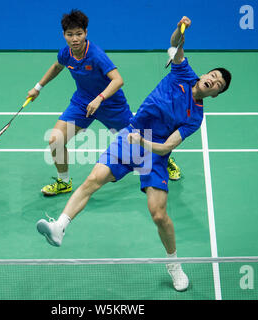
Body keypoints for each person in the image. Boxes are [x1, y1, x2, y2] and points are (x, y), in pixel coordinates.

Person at [36, 16, 232, 291]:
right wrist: (179, 29)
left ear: (216, 95)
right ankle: (59, 226)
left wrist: (144, 142)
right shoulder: (183, 72)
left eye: (218, 84)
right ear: (205, 74)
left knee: (158, 215)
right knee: (93, 180)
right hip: (132, 134)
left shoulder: (195, 117)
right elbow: (176, 44)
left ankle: (174, 264)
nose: (213, 80)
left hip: (152, 150)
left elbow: (167, 147)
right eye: (213, 75)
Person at [26, 9, 180, 196]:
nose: (75, 39)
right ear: (64, 35)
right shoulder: (66, 53)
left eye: (79, 34)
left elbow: (118, 80)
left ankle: (165, 159)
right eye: (70, 34)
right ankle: (64, 182)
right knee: (55, 140)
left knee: (140, 140)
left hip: (111, 106)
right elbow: (57, 66)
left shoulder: (96, 55)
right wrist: (38, 87)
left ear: (86, 33)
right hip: (82, 103)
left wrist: (99, 99)